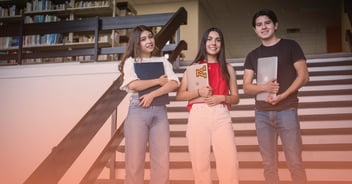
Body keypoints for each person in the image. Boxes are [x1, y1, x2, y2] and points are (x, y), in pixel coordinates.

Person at [243, 9, 309, 184]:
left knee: (294, 162)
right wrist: (264, 87)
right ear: (254, 29)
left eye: (267, 23)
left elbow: (303, 76)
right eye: (259, 24)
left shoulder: (291, 46)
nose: (263, 27)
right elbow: (246, 87)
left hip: (286, 109)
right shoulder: (252, 56)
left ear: (275, 25)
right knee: (268, 164)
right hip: (262, 114)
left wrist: (282, 96)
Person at [176, 27, 240, 184]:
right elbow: (180, 95)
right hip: (198, 115)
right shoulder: (194, 68)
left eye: (218, 40)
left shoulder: (228, 68)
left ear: (221, 44)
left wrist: (222, 98)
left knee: (229, 162)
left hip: (221, 115)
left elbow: (236, 98)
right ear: (204, 43)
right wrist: (198, 91)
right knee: (200, 163)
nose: (214, 43)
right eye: (210, 39)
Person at [118, 25, 180, 184]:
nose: (149, 41)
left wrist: (152, 94)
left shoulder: (162, 61)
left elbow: (173, 83)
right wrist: (158, 81)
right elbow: (133, 85)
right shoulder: (130, 62)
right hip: (138, 111)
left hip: (160, 112)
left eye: (150, 37)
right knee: (134, 161)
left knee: (162, 159)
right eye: (143, 39)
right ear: (136, 43)